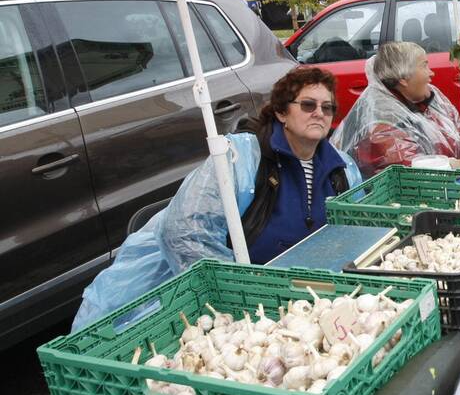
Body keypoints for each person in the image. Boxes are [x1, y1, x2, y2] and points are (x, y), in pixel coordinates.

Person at [73, 67, 362, 329]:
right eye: (308, 104)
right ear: (282, 113)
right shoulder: (238, 159)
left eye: (328, 107)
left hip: (307, 299)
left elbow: (356, 231)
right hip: (239, 307)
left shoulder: (342, 168)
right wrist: (240, 291)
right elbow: (184, 232)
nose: (319, 113)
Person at [333, 41, 460, 177]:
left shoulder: (428, 97)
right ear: (403, 77)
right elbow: (407, 172)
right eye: (424, 65)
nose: (431, 73)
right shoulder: (380, 119)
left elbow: (458, 132)